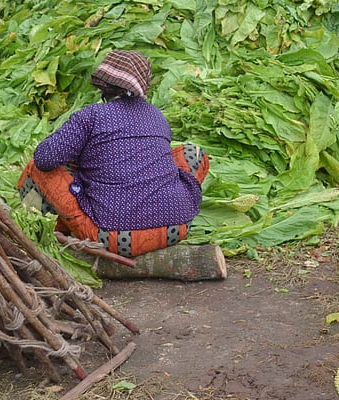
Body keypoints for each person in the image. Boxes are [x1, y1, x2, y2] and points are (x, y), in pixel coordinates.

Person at [17, 50, 210, 258]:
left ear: (104, 86)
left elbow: (45, 158)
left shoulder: (91, 116)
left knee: (37, 168)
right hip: (176, 226)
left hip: (115, 238)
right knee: (192, 153)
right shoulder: (157, 116)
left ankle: (48, 230)